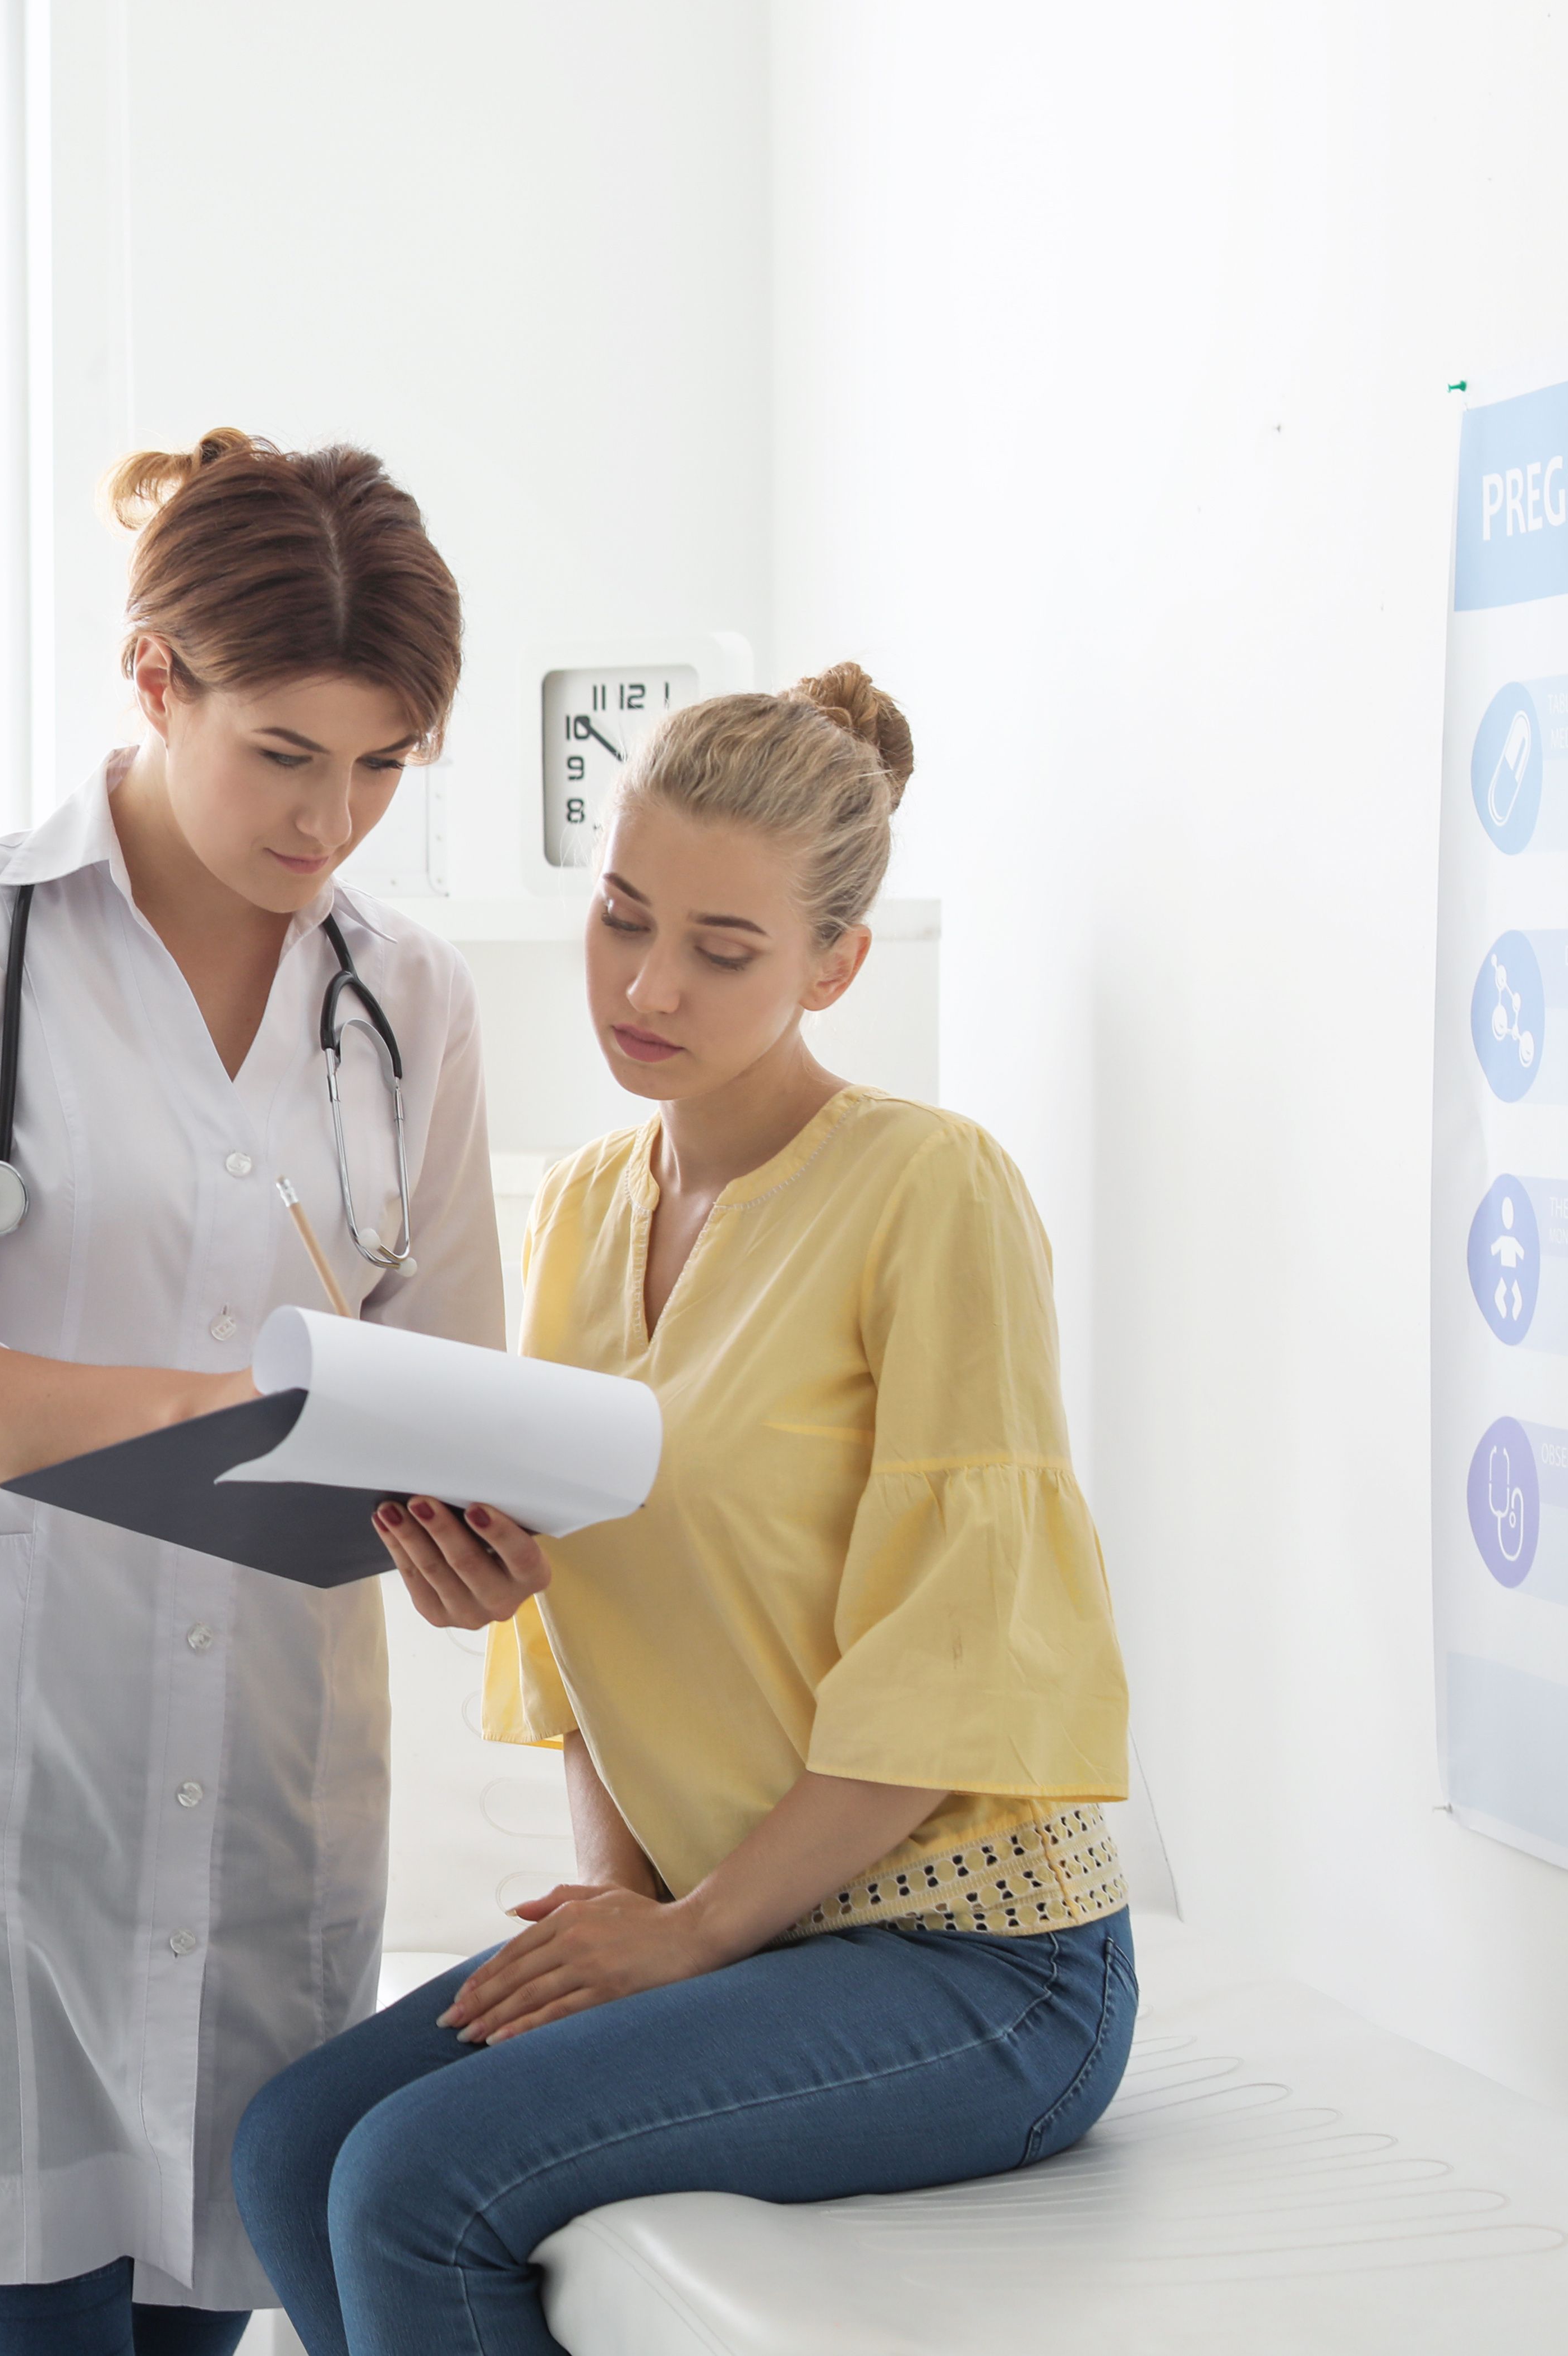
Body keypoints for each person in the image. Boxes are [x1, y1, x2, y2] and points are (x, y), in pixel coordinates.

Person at [230, 665, 1138, 2356]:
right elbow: (586, 1611)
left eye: (722, 951)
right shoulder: (578, 1209)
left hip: (975, 1962)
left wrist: (692, 1936)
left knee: (412, 2182)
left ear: (833, 966)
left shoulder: (927, 1191)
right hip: (737, 1926)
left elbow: (955, 1651)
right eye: (621, 917)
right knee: (291, 2146)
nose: (646, 986)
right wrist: (608, 1880)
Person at [0, 430, 504, 2355]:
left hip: (265, 1776)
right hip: (0, 1777)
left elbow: (443, 1377)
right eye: (283, 751)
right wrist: (219, 1410)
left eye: (380, 763)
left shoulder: (406, 998)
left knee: (201, 2322)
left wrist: (476, 1532)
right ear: (155, 677)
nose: (328, 816)